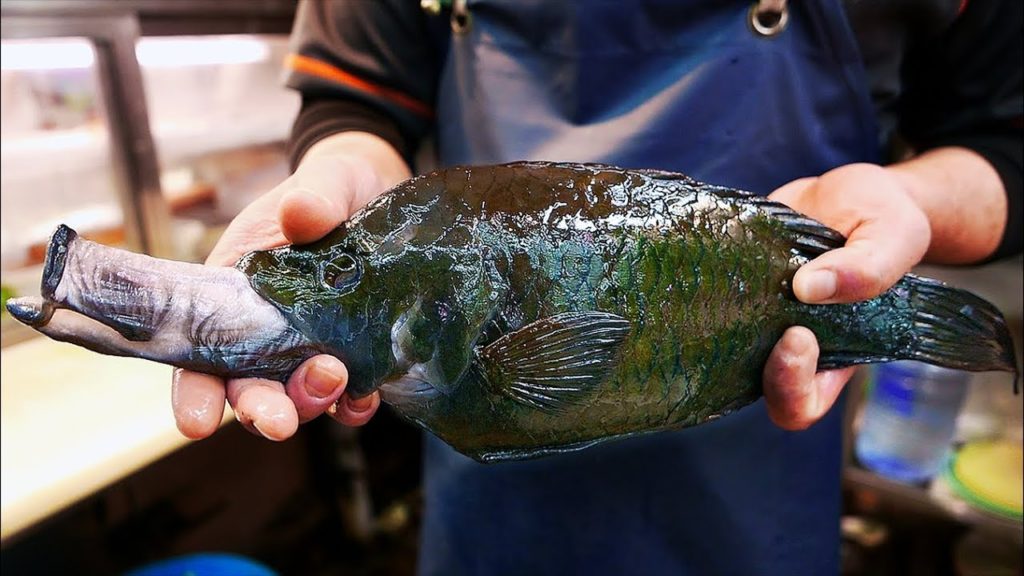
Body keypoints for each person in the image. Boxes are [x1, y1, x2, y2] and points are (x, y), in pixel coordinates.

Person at [170, 1, 1022, 574]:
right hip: (487, 493)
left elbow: (1005, 143)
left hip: (765, 459)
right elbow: (354, 105)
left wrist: (907, 199)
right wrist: (337, 180)